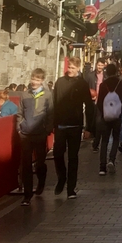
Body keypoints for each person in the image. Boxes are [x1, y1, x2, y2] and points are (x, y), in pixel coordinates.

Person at [53, 56, 95, 199]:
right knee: (58, 153)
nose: (70, 70)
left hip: (75, 125)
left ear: (78, 68)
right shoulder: (60, 82)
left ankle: (71, 188)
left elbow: (89, 105)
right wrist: (53, 123)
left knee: (73, 157)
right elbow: (54, 103)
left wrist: (89, 128)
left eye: (72, 68)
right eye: (69, 67)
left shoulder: (82, 84)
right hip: (60, 125)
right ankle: (61, 177)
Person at [17, 68, 53, 206]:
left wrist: (47, 129)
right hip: (26, 134)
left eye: (37, 80)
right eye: (33, 79)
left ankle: (41, 181)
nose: (34, 82)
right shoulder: (24, 94)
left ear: (42, 81)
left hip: (40, 133)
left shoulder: (47, 95)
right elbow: (19, 113)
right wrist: (19, 127)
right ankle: (27, 195)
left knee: (40, 162)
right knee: (26, 164)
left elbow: (51, 113)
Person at [96, 63, 122, 175]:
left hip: (105, 117)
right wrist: (119, 111)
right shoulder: (120, 83)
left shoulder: (103, 85)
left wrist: (104, 112)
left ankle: (102, 167)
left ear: (107, 72)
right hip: (117, 116)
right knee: (116, 138)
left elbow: (99, 102)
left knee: (104, 141)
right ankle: (112, 160)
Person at [87, 59, 106, 151]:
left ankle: (97, 140)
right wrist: (89, 95)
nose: (100, 67)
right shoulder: (90, 75)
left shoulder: (106, 76)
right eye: (99, 65)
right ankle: (95, 137)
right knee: (94, 120)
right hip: (94, 101)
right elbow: (85, 87)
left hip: (103, 101)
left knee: (99, 121)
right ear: (96, 65)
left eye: (101, 65)